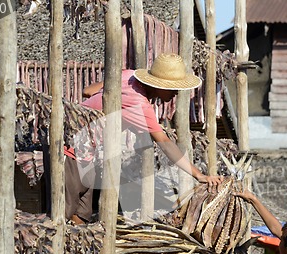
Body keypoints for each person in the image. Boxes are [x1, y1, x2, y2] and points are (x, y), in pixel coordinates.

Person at [65, 53, 223, 224]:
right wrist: (199, 175)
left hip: (87, 153)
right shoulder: (139, 104)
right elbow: (165, 144)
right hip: (72, 149)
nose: (176, 93)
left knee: (80, 215)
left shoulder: (128, 76)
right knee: (63, 213)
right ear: (159, 85)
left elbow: (87, 91)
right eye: (173, 88)